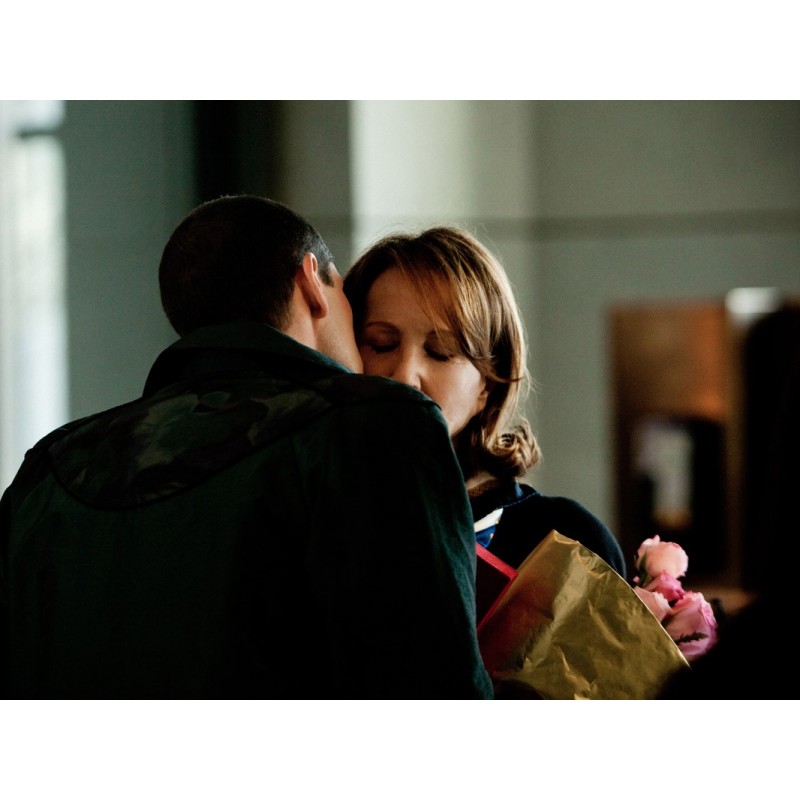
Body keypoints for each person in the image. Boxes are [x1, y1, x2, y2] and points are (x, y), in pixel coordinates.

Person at [0, 196, 493, 699]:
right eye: (376, 337)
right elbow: (435, 690)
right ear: (312, 284)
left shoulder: (49, 469)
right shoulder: (372, 428)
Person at [344, 226, 626, 580]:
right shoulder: (313, 522)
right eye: (381, 344)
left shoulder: (567, 542)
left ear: (490, 380)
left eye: (441, 351)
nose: (404, 376)